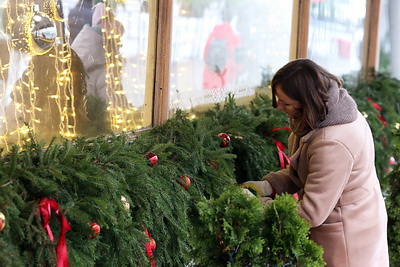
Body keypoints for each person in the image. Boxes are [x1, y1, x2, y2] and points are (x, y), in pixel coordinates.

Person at [241, 59, 389, 266]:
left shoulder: (332, 142)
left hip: (346, 240)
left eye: (286, 103)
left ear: (307, 100)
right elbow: (310, 171)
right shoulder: (330, 113)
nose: (278, 107)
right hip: (357, 220)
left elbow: (310, 213)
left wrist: (258, 205)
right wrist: (270, 186)